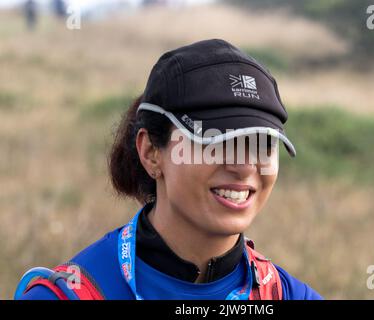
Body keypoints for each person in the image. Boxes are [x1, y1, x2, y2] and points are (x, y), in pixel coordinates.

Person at [17, 39, 322, 300]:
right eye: (215, 142)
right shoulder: (71, 293)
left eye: (261, 144)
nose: (244, 166)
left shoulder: (288, 294)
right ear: (150, 152)